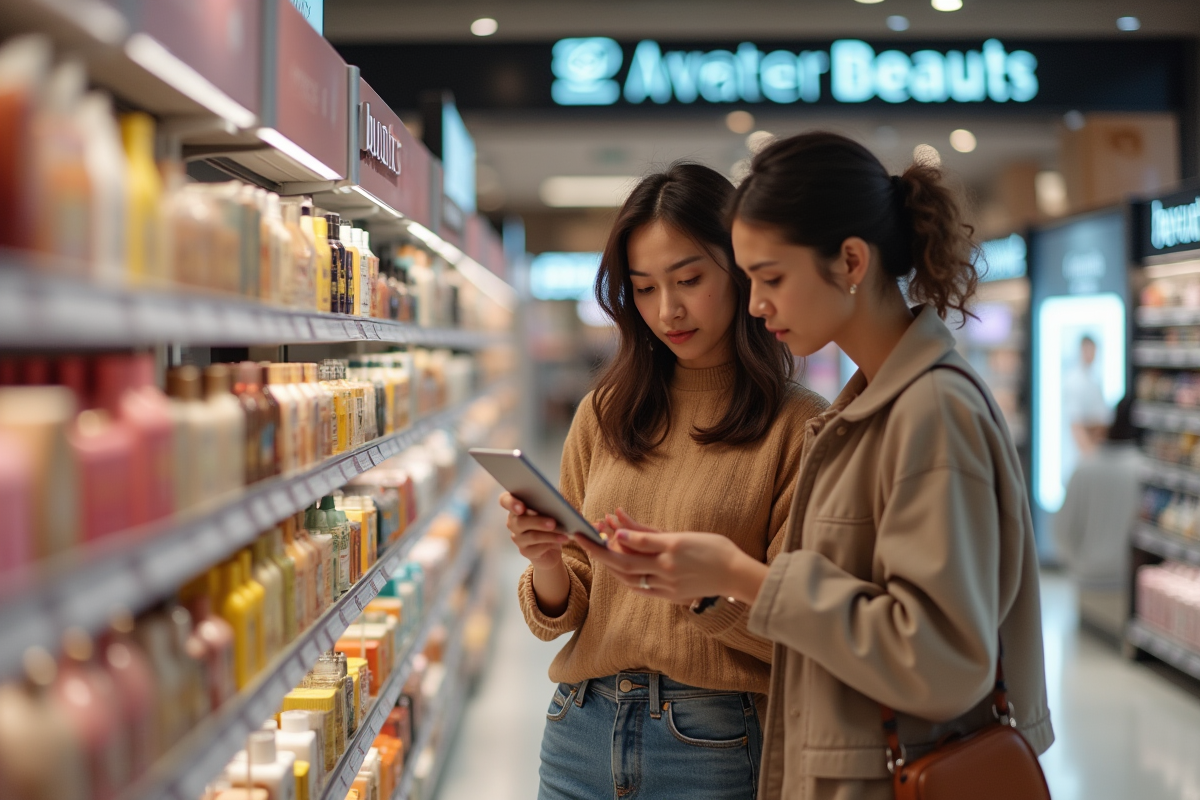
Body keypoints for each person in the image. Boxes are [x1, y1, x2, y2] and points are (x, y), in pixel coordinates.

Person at [578, 133, 1055, 800]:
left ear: (851, 261)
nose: (755, 303)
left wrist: (739, 575)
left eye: (771, 278)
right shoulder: (870, 408)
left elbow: (941, 662)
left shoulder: (931, 411)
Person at [501, 162, 827, 800]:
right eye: (644, 288)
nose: (667, 310)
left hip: (712, 742)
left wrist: (704, 591)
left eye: (689, 279)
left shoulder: (799, 426)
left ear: (739, 270)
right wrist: (546, 561)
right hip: (578, 728)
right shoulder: (605, 411)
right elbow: (566, 607)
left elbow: (802, 626)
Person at [1055, 395, 1140, 637]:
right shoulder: (1143, 469)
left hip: (1086, 579)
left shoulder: (1084, 467)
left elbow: (1062, 529)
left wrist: (1076, 565)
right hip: (1126, 583)